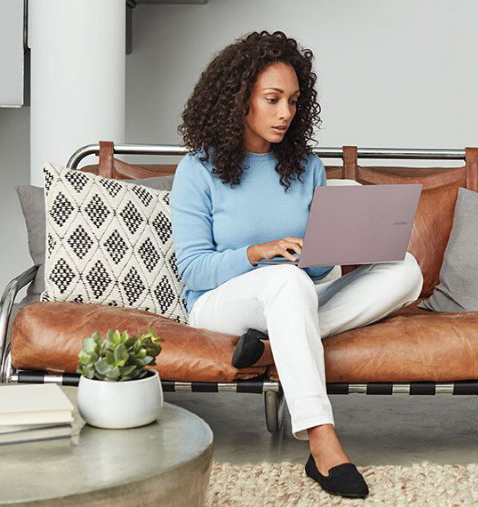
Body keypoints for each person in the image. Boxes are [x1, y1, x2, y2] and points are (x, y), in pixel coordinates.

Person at [170, 31, 423, 499]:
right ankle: (321, 438)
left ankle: (270, 350)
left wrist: (330, 251)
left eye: (292, 101)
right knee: (284, 283)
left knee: (406, 269)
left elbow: (311, 277)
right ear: (238, 99)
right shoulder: (197, 169)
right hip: (217, 304)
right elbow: (193, 270)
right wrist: (257, 253)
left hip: (289, 296)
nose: (285, 112)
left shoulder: (306, 167)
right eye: (272, 99)